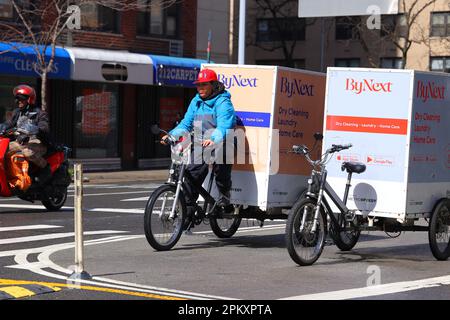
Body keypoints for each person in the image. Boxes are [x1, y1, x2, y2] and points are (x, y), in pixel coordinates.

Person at [161, 69, 236, 215]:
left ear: (213, 85)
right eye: (198, 85)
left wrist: (213, 139)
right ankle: (188, 211)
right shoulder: (196, 102)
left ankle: (225, 196)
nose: (200, 88)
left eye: (204, 85)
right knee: (191, 174)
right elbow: (186, 124)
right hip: (202, 144)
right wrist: (171, 136)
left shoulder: (223, 102)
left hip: (222, 141)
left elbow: (225, 126)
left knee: (221, 170)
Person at [0, 84, 52, 184]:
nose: (18, 101)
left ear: (29, 99)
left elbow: (44, 127)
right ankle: (9, 175)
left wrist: (35, 128)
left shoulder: (40, 113)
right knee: (2, 150)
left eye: (21, 99)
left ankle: (46, 169)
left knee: (27, 152)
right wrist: (2, 127)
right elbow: (8, 124)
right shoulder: (17, 112)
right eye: (17, 99)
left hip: (37, 142)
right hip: (20, 141)